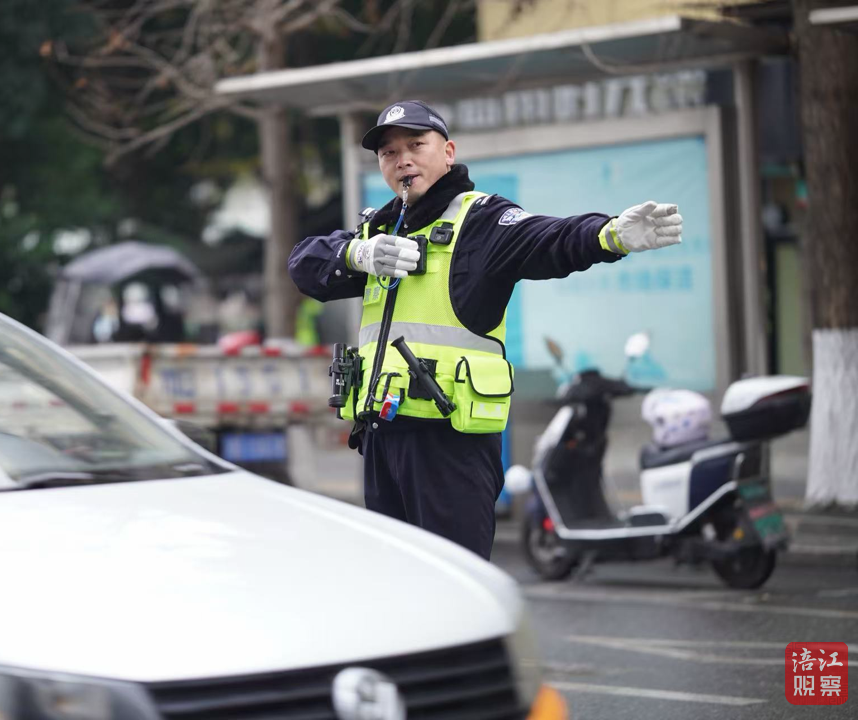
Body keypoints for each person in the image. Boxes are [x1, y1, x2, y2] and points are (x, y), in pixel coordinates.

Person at [287, 100, 682, 559]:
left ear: (448, 152)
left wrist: (608, 235)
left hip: (449, 443)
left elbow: (548, 238)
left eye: (416, 145)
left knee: (456, 576)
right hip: (382, 437)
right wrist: (357, 255)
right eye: (389, 153)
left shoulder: (481, 221)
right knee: (396, 580)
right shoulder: (381, 229)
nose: (402, 160)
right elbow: (303, 264)